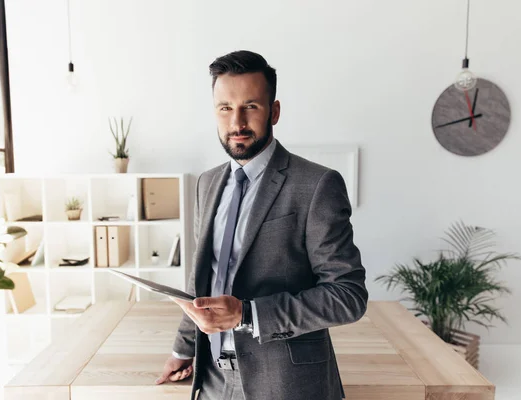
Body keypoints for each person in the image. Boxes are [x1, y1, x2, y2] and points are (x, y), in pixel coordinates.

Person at [155, 50, 368, 400]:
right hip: (210, 381)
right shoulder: (207, 183)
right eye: (225, 108)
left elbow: (348, 296)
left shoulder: (316, 185)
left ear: (275, 111)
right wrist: (183, 350)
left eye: (250, 106)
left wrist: (247, 314)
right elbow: (201, 282)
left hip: (286, 385)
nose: (236, 122)